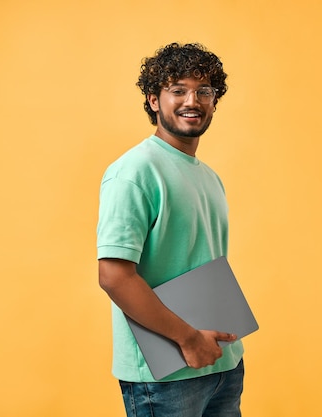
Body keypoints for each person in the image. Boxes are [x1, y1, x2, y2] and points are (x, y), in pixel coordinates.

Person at [97, 42, 245, 417]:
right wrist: (189, 339)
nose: (191, 100)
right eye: (177, 90)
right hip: (164, 375)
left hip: (223, 365)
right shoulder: (134, 172)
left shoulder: (209, 177)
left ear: (214, 101)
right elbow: (114, 276)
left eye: (204, 91)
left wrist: (212, 345)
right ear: (153, 100)